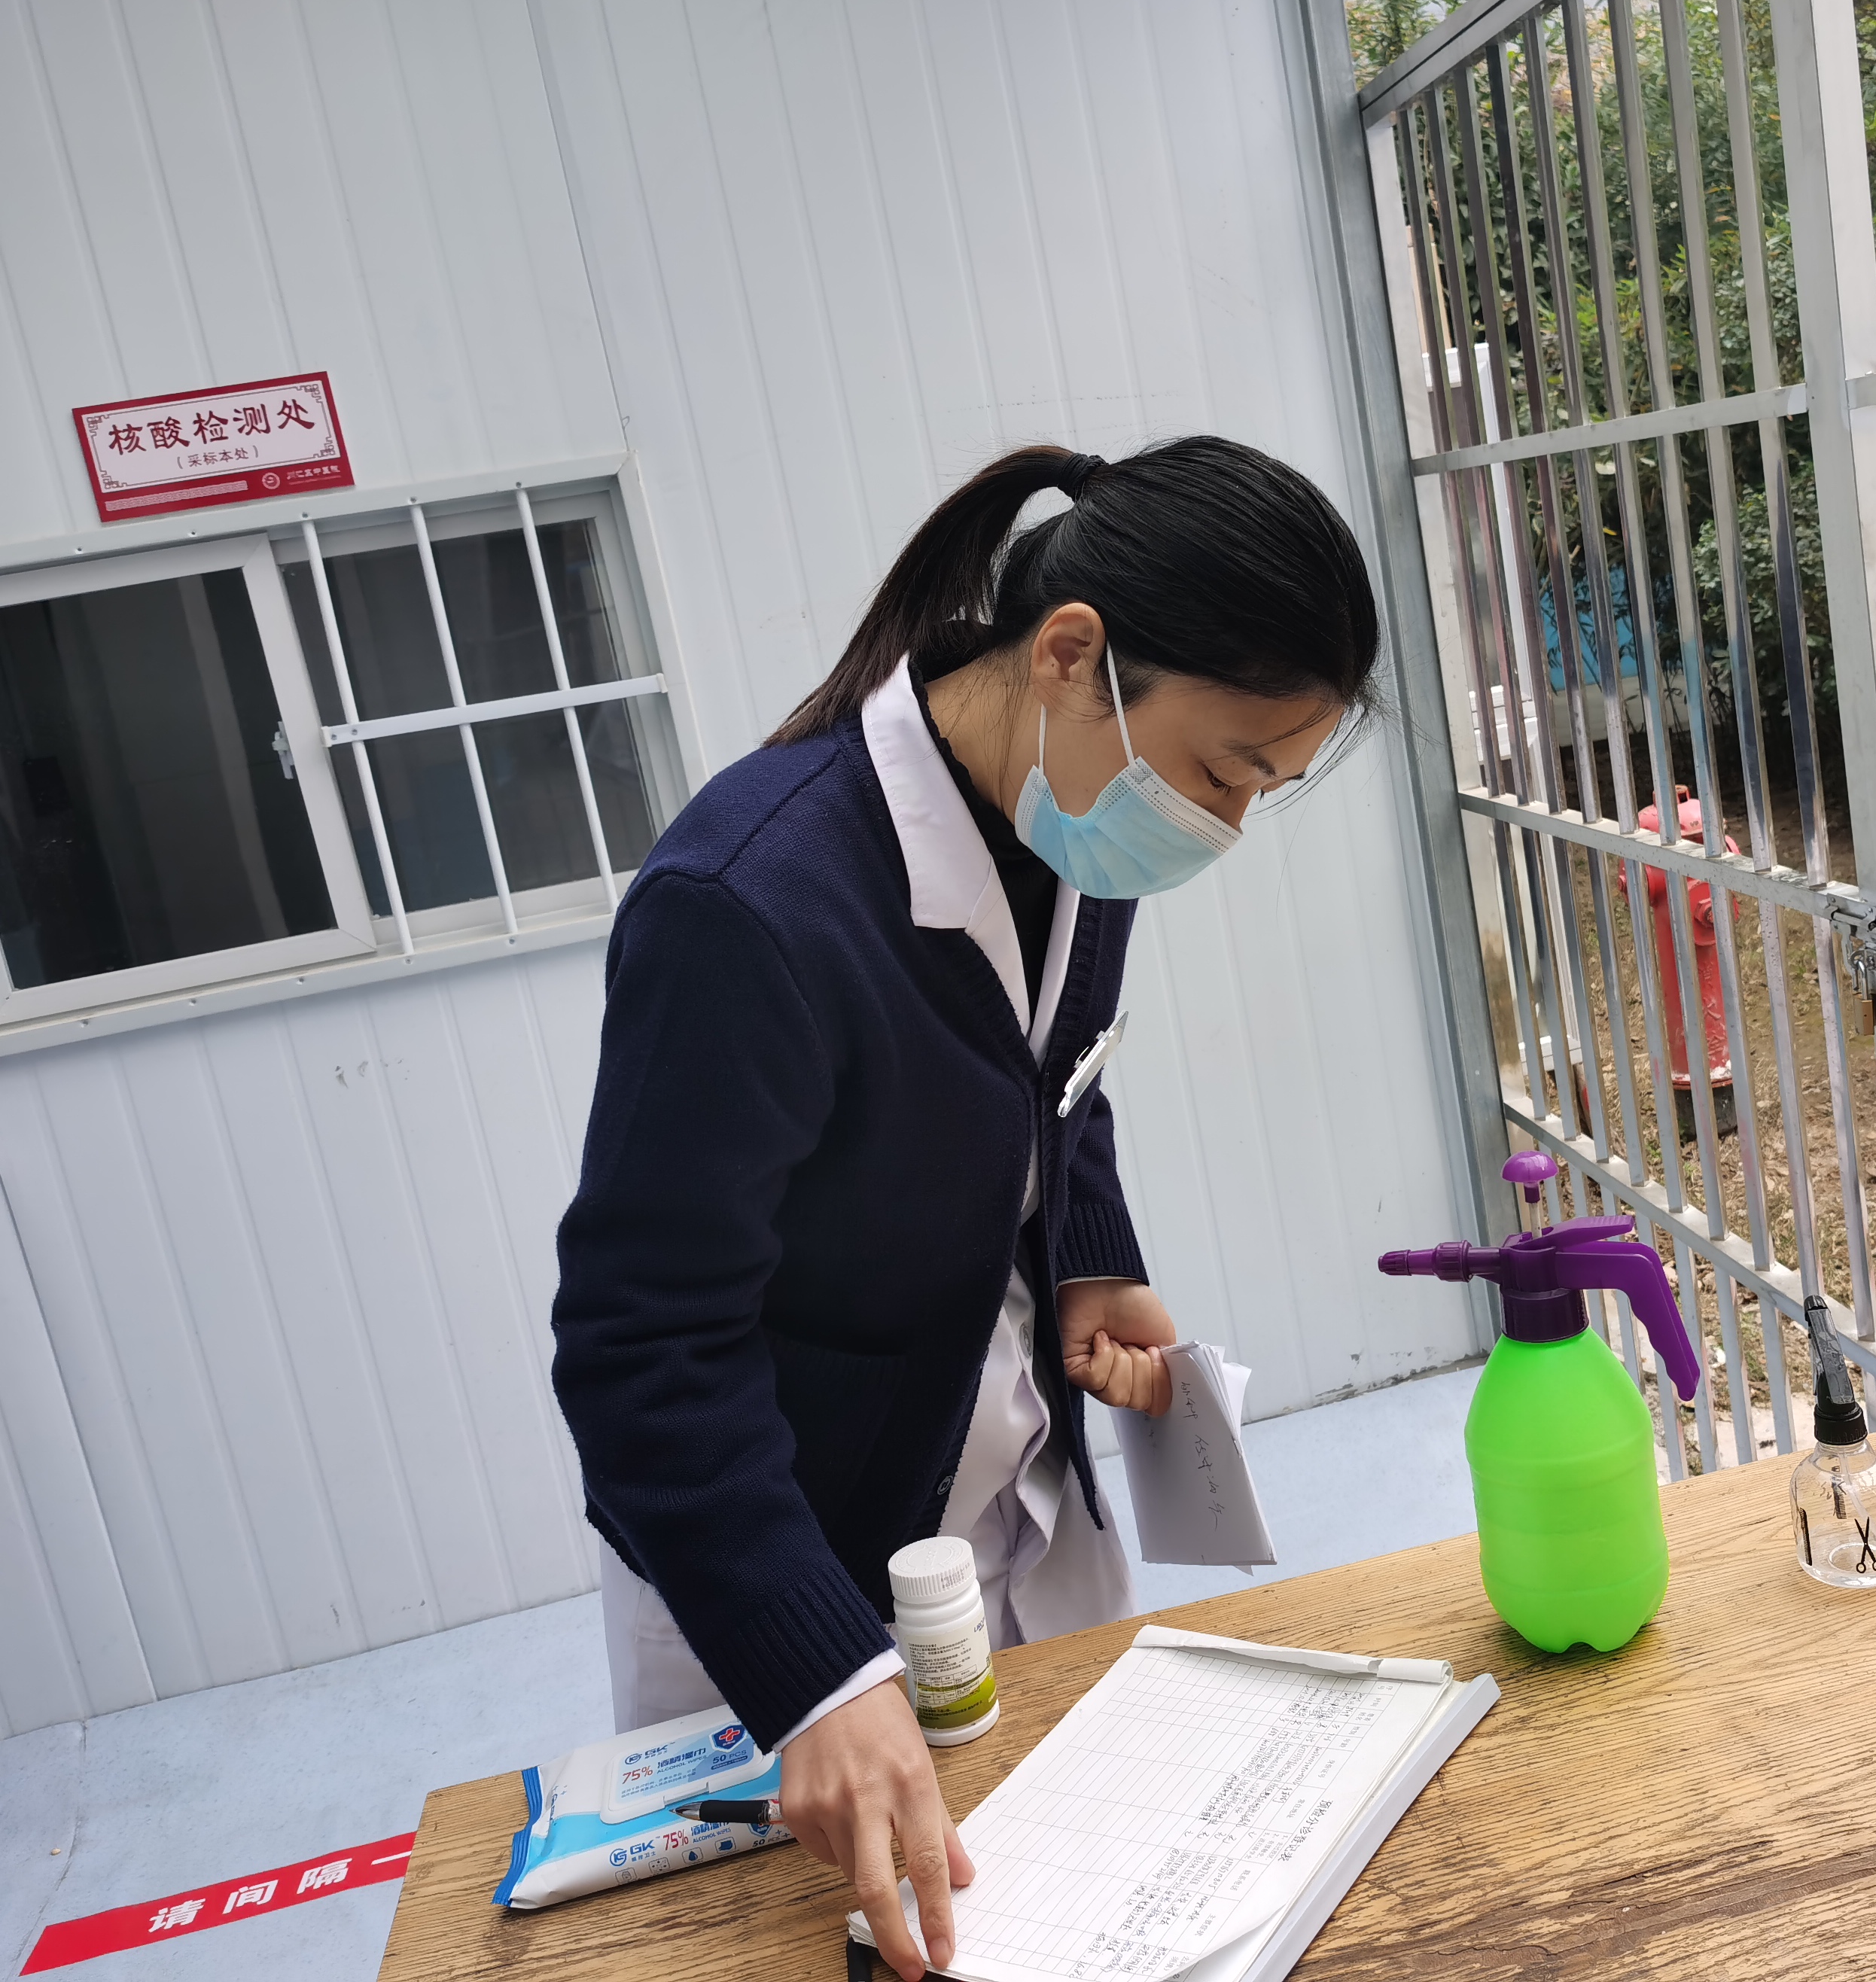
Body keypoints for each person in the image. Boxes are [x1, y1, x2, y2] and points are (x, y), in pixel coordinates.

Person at [549, 437, 1378, 1980]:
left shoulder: (1080, 819)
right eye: (1225, 773)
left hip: (996, 1480)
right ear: (1072, 656)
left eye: (1266, 787)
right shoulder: (747, 906)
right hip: (784, 1546)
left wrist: (1086, 1258)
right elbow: (637, 1347)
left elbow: (1055, 1077)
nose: (1226, 825)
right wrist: (813, 1677)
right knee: (839, 1941)